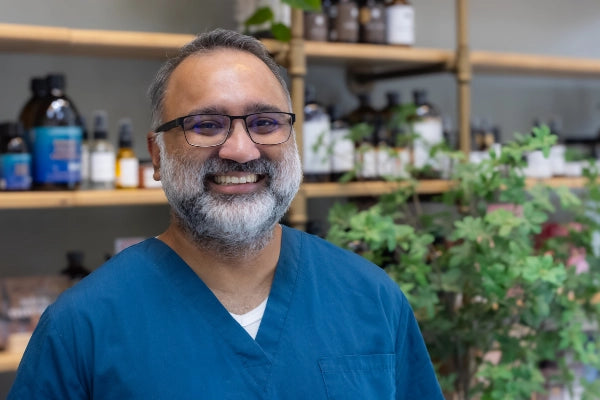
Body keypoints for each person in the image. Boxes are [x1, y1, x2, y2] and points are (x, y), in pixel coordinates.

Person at [8, 28, 444, 399]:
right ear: (156, 156)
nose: (240, 149)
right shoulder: (80, 329)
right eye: (206, 125)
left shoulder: (371, 298)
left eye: (266, 123)